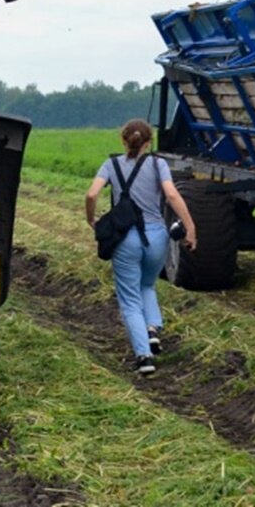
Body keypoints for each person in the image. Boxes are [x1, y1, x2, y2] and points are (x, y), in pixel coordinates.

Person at [85, 119, 197, 376]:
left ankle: (144, 357)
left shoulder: (110, 164)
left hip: (125, 239)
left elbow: (92, 194)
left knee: (129, 300)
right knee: (147, 284)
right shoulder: (159, 164)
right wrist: (190, 227)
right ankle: (152, 328)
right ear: (149, 143)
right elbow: (171, 195)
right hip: (157, 236)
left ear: (123, 140)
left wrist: (91, 218)